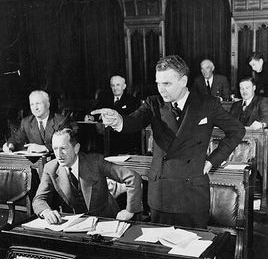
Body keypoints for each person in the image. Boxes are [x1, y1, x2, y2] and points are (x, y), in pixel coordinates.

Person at [91, 55, 245, 229]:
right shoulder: (153, 104)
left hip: (192, 194)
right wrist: (118, 120)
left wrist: (212, 161)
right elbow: (133, 121)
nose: (161, 89)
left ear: (183, 81)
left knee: (192, 250)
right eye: (158, 83)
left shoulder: (207, 104)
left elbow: (237, 131)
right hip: (161, 193)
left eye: (167, 84)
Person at [32, 128, 142, 224]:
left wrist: (130, 210)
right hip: (74, 224)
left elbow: (132, 177)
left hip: (106, 220)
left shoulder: (96, 162)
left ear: (76, 148)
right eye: (55, 149)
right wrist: (46, 211)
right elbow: (38, 199)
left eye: (63, 148)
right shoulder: (50, 168)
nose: (59, 154)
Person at [86, 75, 140, 154]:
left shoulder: (132, 100)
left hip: (122, 137)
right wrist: (91, 117)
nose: (115, 88)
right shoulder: (104, 97)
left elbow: (129, 118)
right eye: (113, 85)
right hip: (104, 135)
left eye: (118, 85)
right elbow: (95, 110)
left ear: (124, 86)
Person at [2, 90, 68, 153]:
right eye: (32, 104)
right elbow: (16, 140)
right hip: (36, 162)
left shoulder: (60, 121)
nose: (35, 108)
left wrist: (45, 148)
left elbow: (66, 143)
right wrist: (10, 145)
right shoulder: (26, 122)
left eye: (38, 103)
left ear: (48, 104)